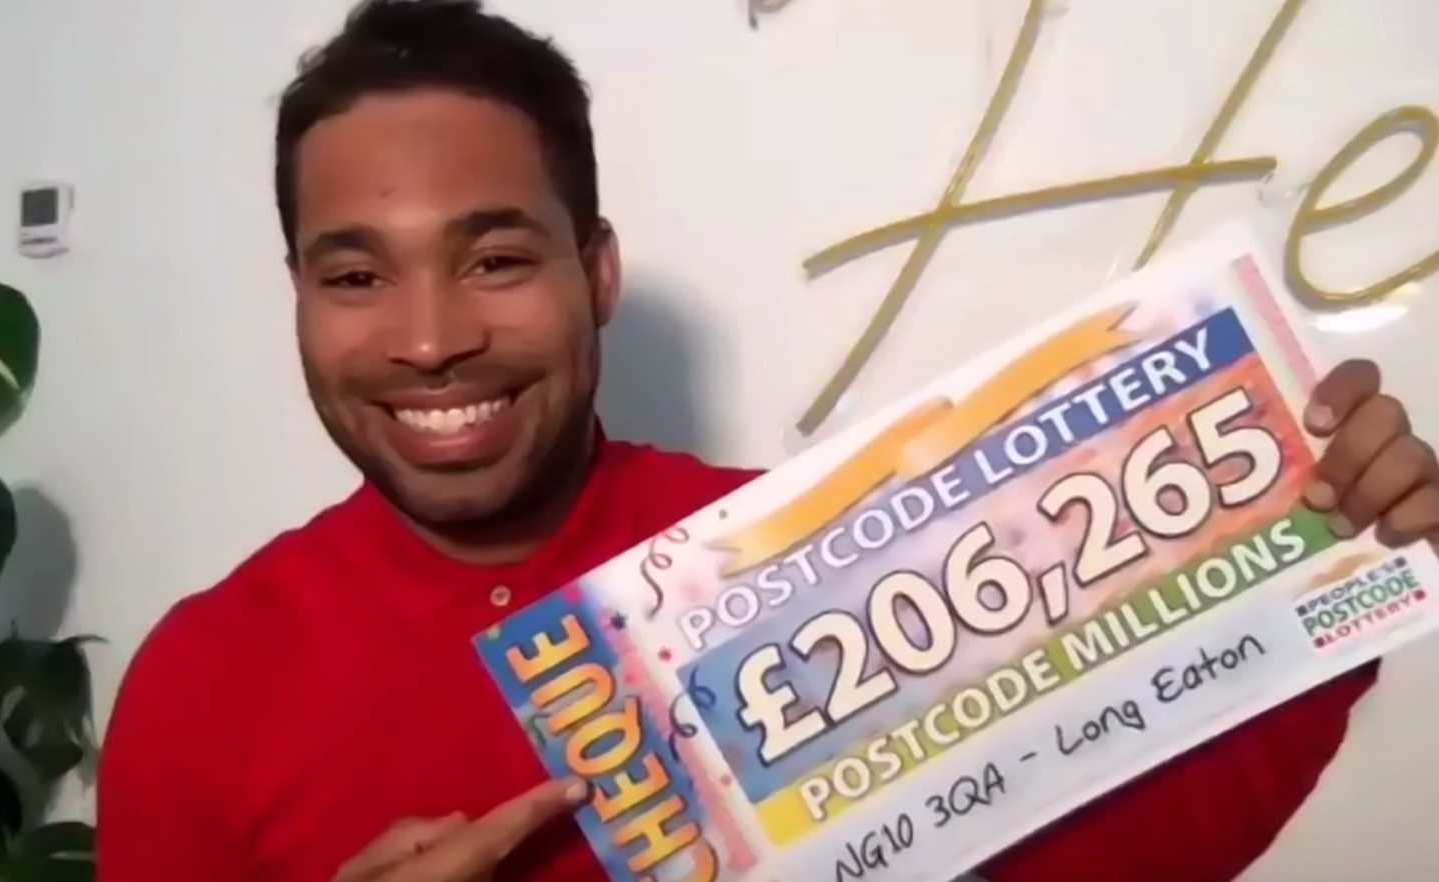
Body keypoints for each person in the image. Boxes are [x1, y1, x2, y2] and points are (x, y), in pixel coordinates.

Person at [96, 2, 1439, 881]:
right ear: (297, 295)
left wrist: (1320, 556)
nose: (432, 338)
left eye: (495, 257)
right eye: (355, 277)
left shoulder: (813, 558)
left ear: (596, 272)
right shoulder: (200, 684)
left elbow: (1099, 852)